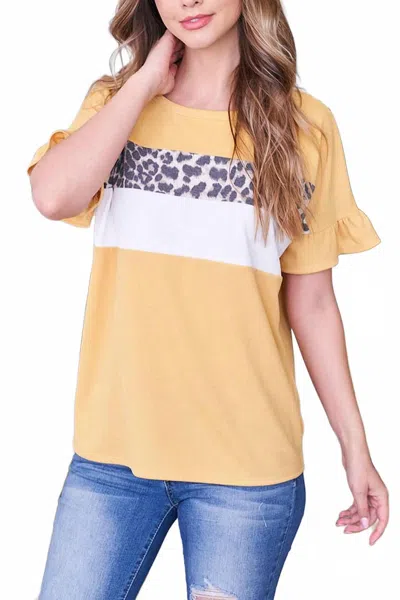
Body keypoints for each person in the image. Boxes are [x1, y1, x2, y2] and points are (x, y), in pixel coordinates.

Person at [27, 1, 389, 599]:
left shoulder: (304, 126)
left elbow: (314, 305)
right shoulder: (117, 105)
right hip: (114, 459)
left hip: (245, 473)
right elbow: (52, 196)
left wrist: (356, 448)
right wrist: (145, 82)